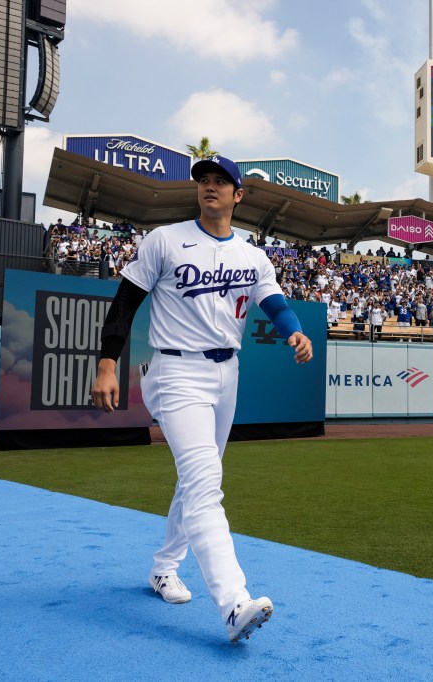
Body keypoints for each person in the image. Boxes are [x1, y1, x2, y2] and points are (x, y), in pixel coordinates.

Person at [90, 155, 314, 644]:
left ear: (239, 196)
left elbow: (274, 303)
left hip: (226, 373)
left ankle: (163, 568)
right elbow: (125, 302)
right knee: (205, 482)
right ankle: (234, 603)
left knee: (198, 478)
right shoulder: (166, 239)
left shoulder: (253, 256)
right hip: (174, 370)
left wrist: (295, 332)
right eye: (204, 181)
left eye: (221, 182)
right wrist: (107, 362)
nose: (210, 187)